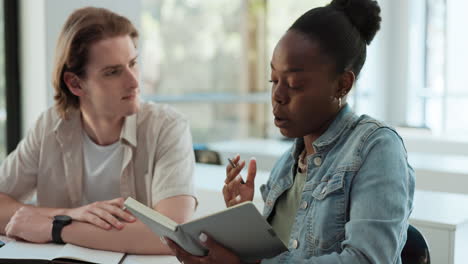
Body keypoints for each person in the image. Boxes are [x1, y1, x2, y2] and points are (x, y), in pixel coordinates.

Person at [166, 0, 415, 263]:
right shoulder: (287, 165)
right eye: (274, 80)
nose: (278, 96)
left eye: (295, 84)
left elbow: (367, 259)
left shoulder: (377, 148)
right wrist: (242, 225)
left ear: (342, 85)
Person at [0, 7, 197, 254]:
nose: (134, 81)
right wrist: (69, 215)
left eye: (133, 63)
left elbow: (174, 234)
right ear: (75, 83)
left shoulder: (167, 127)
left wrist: (56, 228)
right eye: (113, 72)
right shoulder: (49, 126)